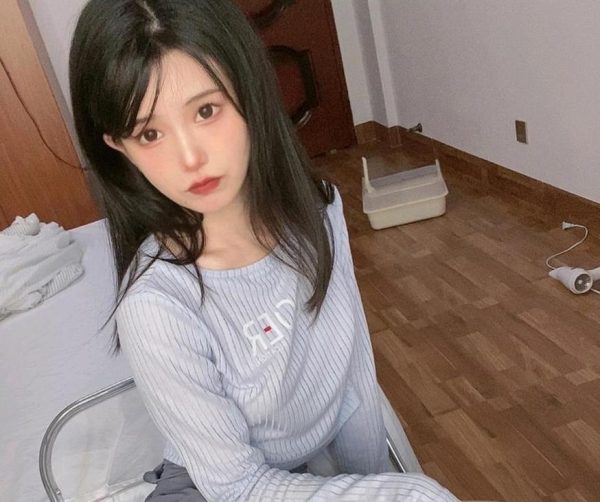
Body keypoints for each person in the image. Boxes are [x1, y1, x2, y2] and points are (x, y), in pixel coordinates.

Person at [69, 0, 460, 500]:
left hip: (296, 467)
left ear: (249, 93)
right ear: (119, 147)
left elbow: (352, 379)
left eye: (206, 110)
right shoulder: (155, 306)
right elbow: (235, 485)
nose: (190, 157)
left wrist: (383, 486)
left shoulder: (317, 211)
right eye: (150, 133)